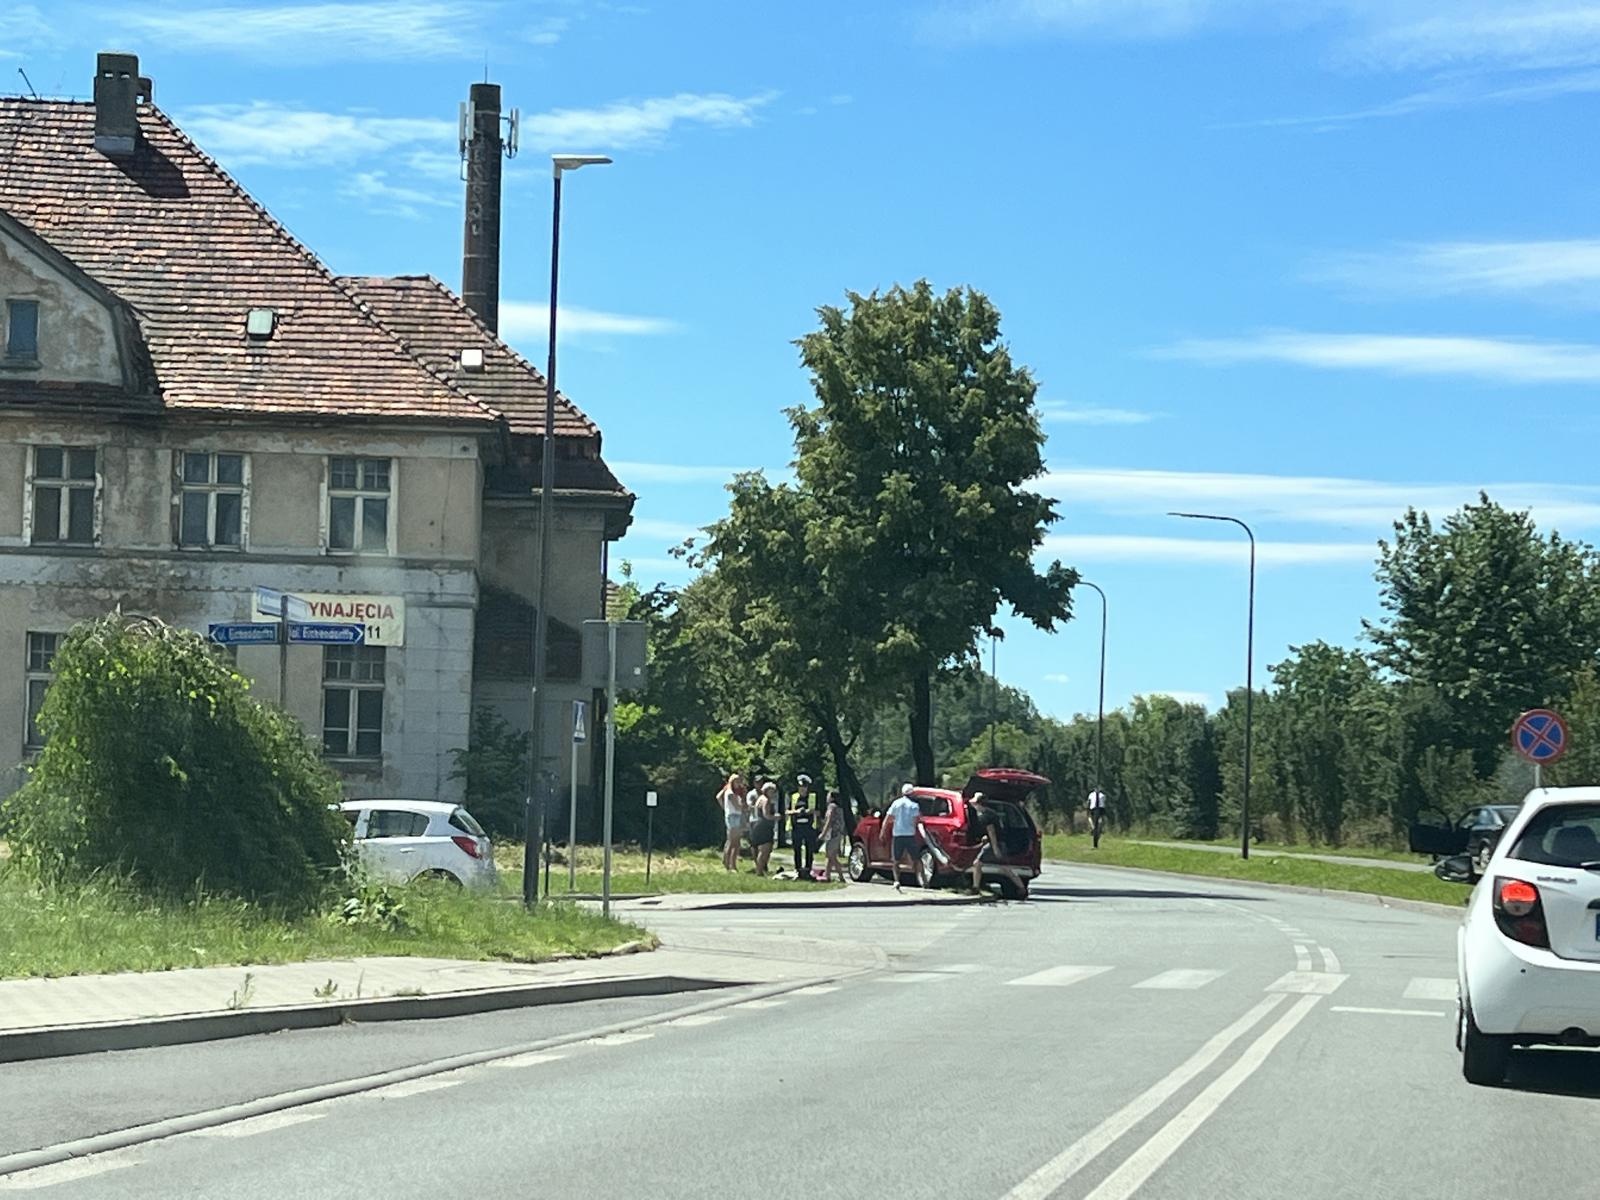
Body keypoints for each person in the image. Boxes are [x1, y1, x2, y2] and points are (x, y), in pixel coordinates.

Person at [886, 783, 921, 893]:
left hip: (898, 834)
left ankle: (896, 880)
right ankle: (922, 879)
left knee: (896, 860)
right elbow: (916, 821)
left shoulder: (896, 803)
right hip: (909, 834)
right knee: (917, 858)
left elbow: (888, 818)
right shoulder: (914, 806)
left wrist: (882, 832)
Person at [967, 792, 1004, 894]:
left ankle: (975, 888)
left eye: (974, 804)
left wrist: (995, 849)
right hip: (997, 842)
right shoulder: (990, 813)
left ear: (978, 804)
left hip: (995, 843)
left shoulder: (986, 815)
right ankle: (1021, 888)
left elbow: (992, 831)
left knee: (977, 863)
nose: (973, 806)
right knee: (1004, 868)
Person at [790, 774, 818, 880]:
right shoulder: (794, 797)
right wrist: (796, 812)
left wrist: (809, 811)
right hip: (797, 827)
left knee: (809, 849)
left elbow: (819, 812)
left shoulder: (812, 797)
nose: (802, 789)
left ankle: (808, 869)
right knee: (797, 849)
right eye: (800, 787)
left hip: (809, 827)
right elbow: (788, 811)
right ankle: (798, 869)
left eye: (804, 787)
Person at [719, 773, 748, 872]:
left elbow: (719, 797)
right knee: (732, 842)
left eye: (739, 781)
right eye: (736, 781)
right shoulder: (730, 793)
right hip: (733, 816)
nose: (738, 783)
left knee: (736, 842)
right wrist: (746, 808)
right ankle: (728, 864)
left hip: (736, 816)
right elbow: (737, 806)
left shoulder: (735, 793)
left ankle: (732, 864)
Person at [748, 782, 778, 875]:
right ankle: (759, 871)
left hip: (757, 824)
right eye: (771, 791)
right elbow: (766, 815)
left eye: (774, 791)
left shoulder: (760, 798)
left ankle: (759, 870)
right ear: (766, 791)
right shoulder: (766, 800)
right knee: (765, 849)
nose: (773, 793)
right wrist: (776, 817)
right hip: (764, 826)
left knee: (762, 849)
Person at [819, 788, 847, 882]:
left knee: (831, 855)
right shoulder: (840, 807)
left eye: (828, 795)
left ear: (832, 797)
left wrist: (823, 833)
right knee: (829, 856)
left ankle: (841, 876)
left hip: (832, 834)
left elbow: (829, 821)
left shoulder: (832, 807)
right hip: (838, 833)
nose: (827, 797)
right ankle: (827, 876)